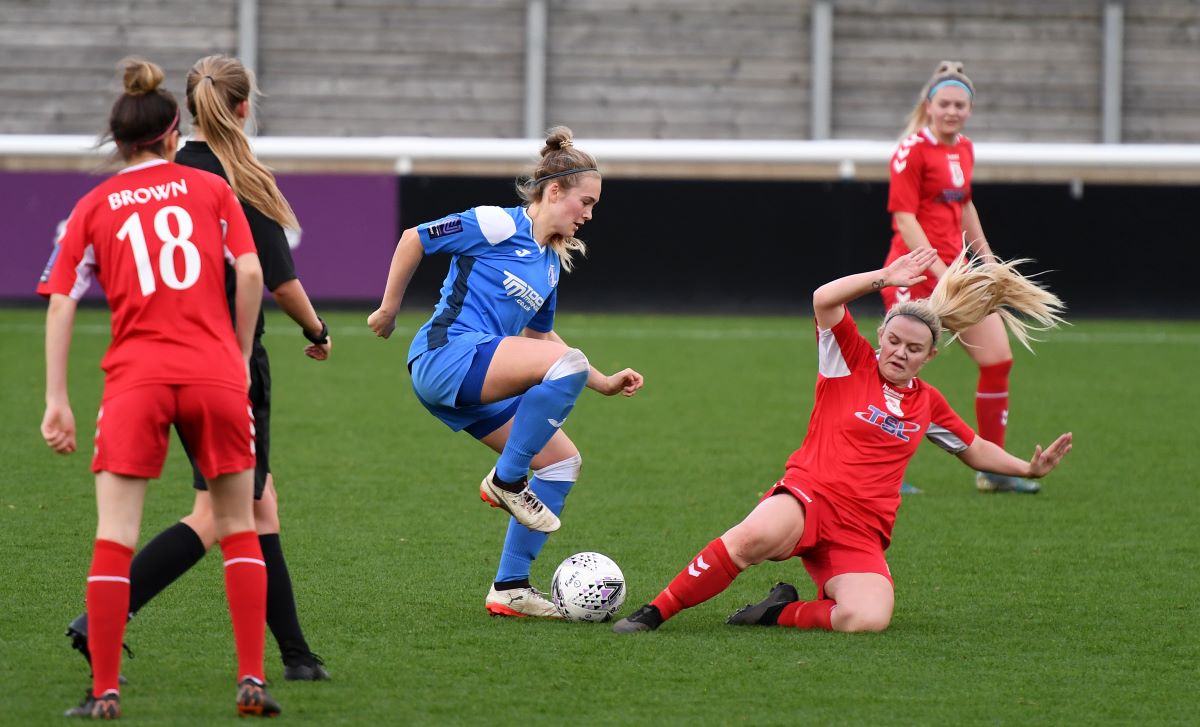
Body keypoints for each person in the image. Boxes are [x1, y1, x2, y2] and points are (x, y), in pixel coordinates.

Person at [613, 247, 1072, 635]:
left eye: (914, 349)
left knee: (867, 617)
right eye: (894, 341)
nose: (899, 353)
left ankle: (776, 612)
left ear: (930, 356)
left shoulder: (927, 403)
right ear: (881, 335)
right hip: (809, 497)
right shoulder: (849, 359)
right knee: (752, 536)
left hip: (860, 529)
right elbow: (824, 300)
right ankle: (654, 612)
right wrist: (884, 278)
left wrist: (1027, 468)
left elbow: (973, 449)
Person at [62, 54, 331, 684]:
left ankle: (297, 658)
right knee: (223, 513)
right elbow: (275, 281)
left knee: (259, 507)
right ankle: (103, 613)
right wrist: (317, 330)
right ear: (243, 107)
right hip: (226, 365)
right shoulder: (236, 177)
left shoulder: (170, 171)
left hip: (163, 355)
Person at [368, 126, 644, 618]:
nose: (589, 214)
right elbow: (415, 238)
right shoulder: (497, 224)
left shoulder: (550, 264)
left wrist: (600, 382)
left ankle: (510, 587)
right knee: (566, 368)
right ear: (553, 190)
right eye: (586, 202)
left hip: (478, 376)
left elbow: (541, 338)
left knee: (562, 463)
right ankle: (507, 479)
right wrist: (390, 309)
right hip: (446, 356)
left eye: (594, 206)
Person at [884, 60, 1039, 494]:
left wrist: (987, 262)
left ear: (970, 109)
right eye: (944, 103)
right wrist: (938, 270)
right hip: (914, 274)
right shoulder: (912, 150)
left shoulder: (964, 148)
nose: (952, 111)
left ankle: (993, 469)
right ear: (928, 106)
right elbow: (904, 216)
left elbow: (965, 206)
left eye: (960, 105)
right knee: (898, 372)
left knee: (997, 360)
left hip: (956, 274)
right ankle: (883, 472)